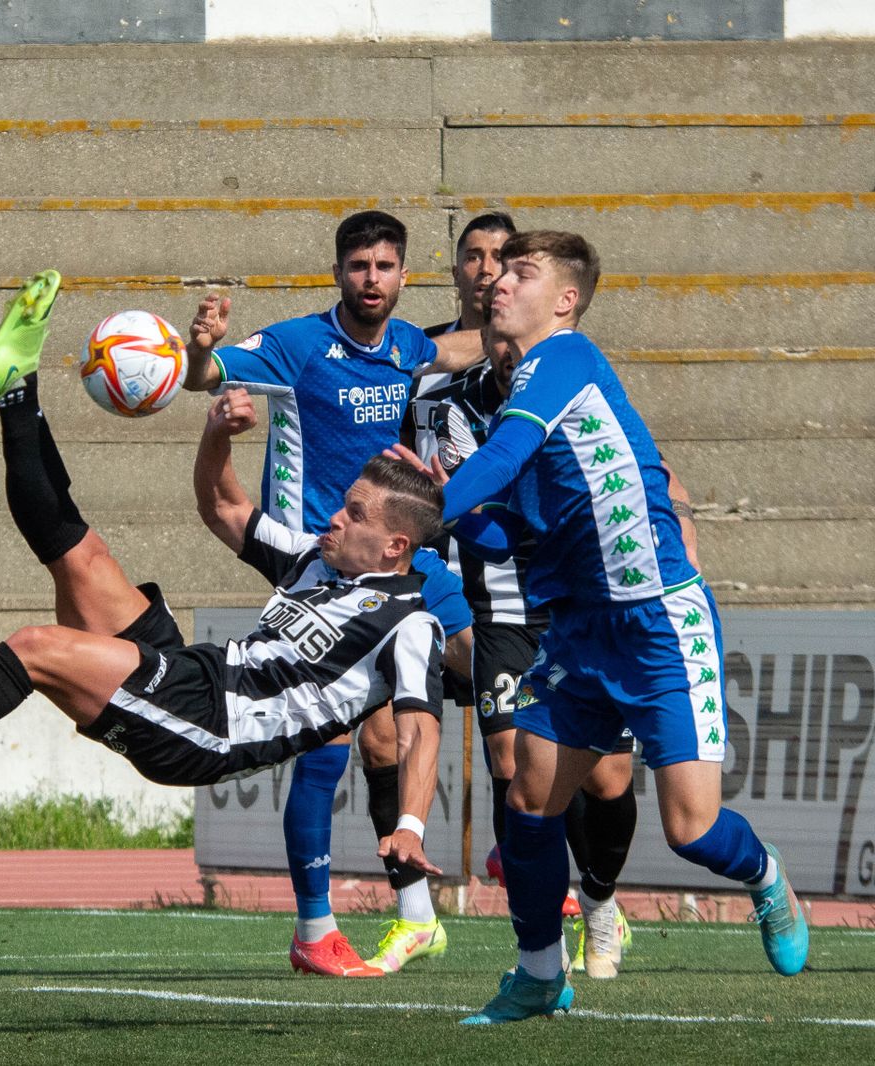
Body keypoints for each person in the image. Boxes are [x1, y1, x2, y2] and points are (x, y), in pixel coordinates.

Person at [0, 275, 449, 935]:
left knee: (36, 649)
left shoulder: (408, 622)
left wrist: (411, 826)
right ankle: (14, 386)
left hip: (209, 728)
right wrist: (216, 433)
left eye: (354, 514)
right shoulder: (317, 562)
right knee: (80, 558)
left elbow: (420, 731)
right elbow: (223, 507)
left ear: (395, 546)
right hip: (196, 675)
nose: (336, 517)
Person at [389, 230, 809, 1025]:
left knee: (692, 830)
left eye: (521, 272)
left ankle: (765, 877)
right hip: (579, 632)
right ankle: (540, 975)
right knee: (529, 802)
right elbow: (508, 534)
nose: (498, 282)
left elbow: (502, 459)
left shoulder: (567, 359)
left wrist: (422, 510)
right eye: (497, 271)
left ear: (565, 300)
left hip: (657, 624)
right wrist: (451, 514)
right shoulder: (523, 399)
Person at [180, 211, 475, 976]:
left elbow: (463, 347)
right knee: (332, 743)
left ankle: (433, 912)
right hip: (320, 562)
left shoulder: (407, 345)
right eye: (359, 266)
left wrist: (541, 331)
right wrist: (201, 349)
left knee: (491, 680)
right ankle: (320, 925)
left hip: (403, 557)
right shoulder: (298, 346)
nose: (371, 279)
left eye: (385, 266)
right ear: (338, 272)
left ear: (403, 275)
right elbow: (204, 377)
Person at [405, 300, 643, 980]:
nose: (509, 353)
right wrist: (447, 511)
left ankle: (600, 899)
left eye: (516, 341)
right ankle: (542, 939)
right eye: (498, 341)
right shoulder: (454, 409)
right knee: (513, 767)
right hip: (505, 611)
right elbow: (487, 523)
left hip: (584, 609)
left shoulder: (574, 391)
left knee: (608, 778)